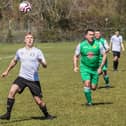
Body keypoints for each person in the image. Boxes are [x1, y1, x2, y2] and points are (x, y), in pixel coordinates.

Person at [0, 32, 54, 120]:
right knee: (12, 91)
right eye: (28, 38)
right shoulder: (20, 51)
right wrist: (7, 71)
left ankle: (47, 115)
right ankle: (8, 114)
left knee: (39, 101)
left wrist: (41, 62)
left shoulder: (38, 51)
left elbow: (45, 65)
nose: (30, 39)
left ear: (33, 40)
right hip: (22, 77)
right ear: (25, 40)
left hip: (33, 80)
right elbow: (14, 61)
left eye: (31, 38)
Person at [73, 29, 107, 106]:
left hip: (95, 68)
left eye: (93, 34)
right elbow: (76, 56)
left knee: (94, 87)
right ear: (86, 36)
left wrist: (100, 67)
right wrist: (75, 66)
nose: (92, 36)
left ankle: (90, 85)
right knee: (87, 83)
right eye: (90, 34)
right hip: (85, 68)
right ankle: (89, 102)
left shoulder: (98, 44)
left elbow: (104, 54)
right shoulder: (81, 45)